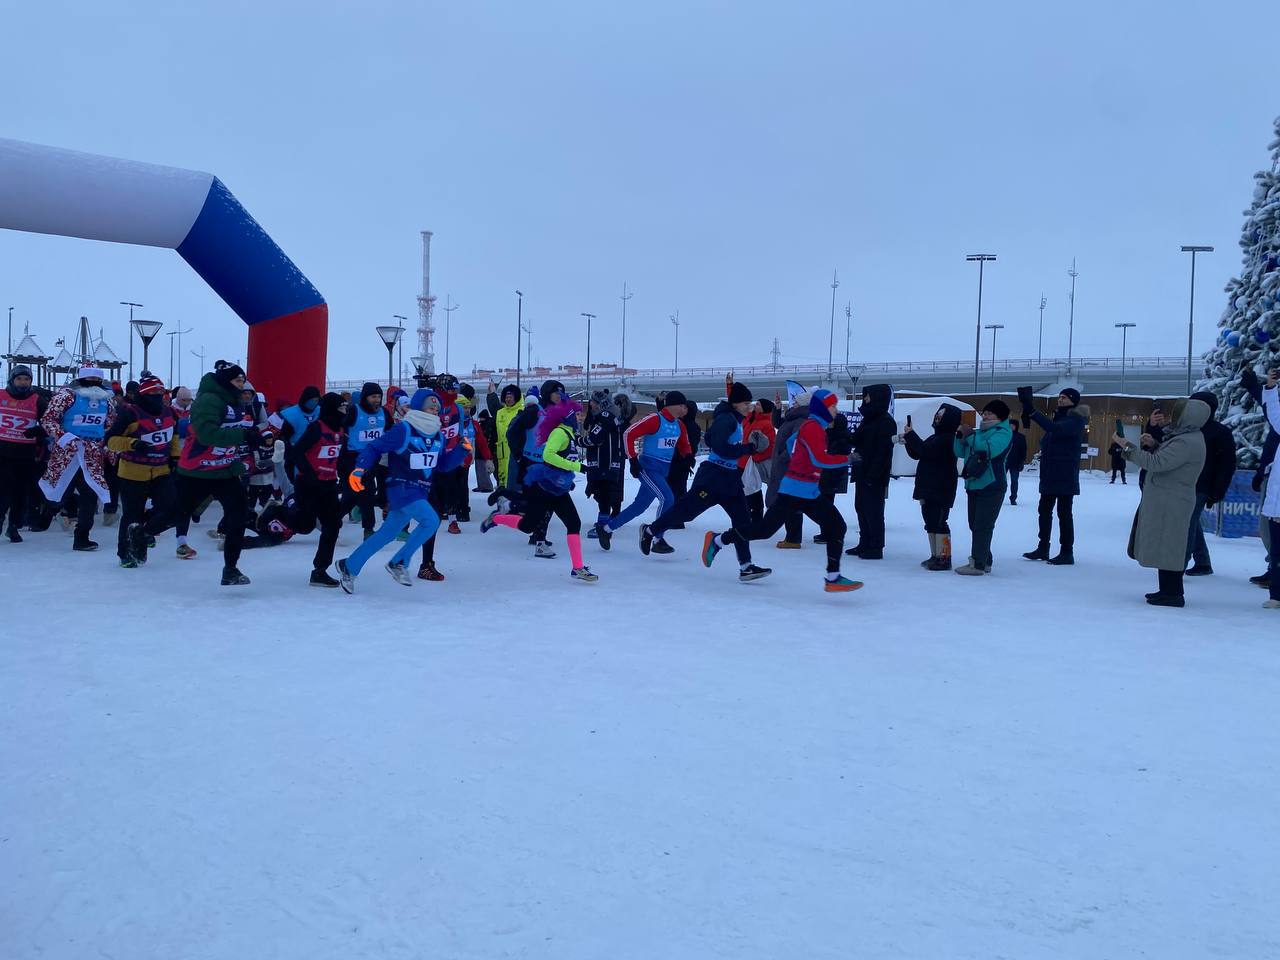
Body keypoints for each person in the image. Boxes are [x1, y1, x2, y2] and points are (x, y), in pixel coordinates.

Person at [705, 390, 861, 592]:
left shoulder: (812, 426)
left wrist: (798, 460)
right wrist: (847, 459)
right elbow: (819, 459)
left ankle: (833, 577)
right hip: (794, 491)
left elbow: (790, 442)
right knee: (763, 531)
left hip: (807, 491)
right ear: (822, 408)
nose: (836, 411)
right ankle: (718, 540)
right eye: (832, 406)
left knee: (836, 526)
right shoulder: (813, 427)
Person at [642, 381, 771, 581]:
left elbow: (711, 439)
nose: (750, 406)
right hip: (713, 478)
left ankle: (745, 566)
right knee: (686, 512)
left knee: (743, 521)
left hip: (730, 479)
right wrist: (748, 448)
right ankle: (650, 530)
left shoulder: (734, 419)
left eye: (750, 403)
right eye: (746, 403)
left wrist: (746, 446)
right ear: (736, 403)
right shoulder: (727, 419)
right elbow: (719, 447)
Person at [337, 388, 444, 592]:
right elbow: (374, 447)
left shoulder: (438, 435)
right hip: (401, 487)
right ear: (419, 407)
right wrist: (359, 468)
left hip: (419, 490)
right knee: (431, 520)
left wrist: (461, 452)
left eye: (437, 407)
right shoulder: (404, 429)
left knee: (386, 534)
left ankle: (349, 566)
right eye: (430, 406)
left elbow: (443, 464)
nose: (435, 410)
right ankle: (399, 562)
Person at [482, 397, 598, 582]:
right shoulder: (560, 433)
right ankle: (496, 518)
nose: (580, 418)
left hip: (558, 489)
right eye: (577, 414)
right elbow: (548, 456)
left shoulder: (569, 434)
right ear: (568, 416)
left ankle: (577, 568)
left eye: (580, 414)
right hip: (543, 488)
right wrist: (578, 467)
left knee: (574, 523)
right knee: (527, 526)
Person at [175, 363, 270, 586]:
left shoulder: (236, 401)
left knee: (239, 514)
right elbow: (207, 434)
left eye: (243, 382)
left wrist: (253, 438)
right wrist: (244, 436)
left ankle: (231, 569)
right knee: (174, 514)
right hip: (197, 469)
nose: (241, 386)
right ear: (226, 381)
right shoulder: (209, 400)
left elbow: (239, 430)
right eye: (237, 381)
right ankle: (142, 533)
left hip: (224, 469)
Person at [1111, 397, 1209, 607]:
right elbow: (1168, 460)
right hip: (1168, 499)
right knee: (1165, 544)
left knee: (1170, 545)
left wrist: (1125, 445)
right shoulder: (1186, 438)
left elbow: (1156, 463)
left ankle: (1173, 593)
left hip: (1172, 501)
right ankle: (1167, 590)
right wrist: (1155, 445)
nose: (1174, 417)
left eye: (1178, 413)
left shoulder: (1185, 441)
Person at [260, 392, 348, 586]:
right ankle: (277, 511)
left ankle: (319, 570)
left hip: (329, 485)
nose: (345, 410)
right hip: (308, 484)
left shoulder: (341, 430)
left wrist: (345, 474)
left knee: (333, 525)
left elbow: (338, 457)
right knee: (305, 525)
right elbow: (297, 452)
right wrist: (310, 474)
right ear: (332, 409)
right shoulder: (317, 428)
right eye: (342, 407)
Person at [105, 373, 182, 566]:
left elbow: (173, 436)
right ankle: (125, 554)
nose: (158, 397)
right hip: (133, 471)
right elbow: (110, 440)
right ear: (144, 395)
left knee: (172, 510)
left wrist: (175, 457)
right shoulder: (130, 413)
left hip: (161, 470)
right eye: (154, 393)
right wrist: (132, 443)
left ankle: (143, 533)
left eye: (161, 393)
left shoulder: (170, 413)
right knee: (132, 514)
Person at [38, 365, 116, 551]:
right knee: (59, 491)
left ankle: (82, 537)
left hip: (92, 455)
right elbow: (48, 420)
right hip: (67, 453)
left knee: (91, 494)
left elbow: (110, 424)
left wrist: (104, 444)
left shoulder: (107, 400)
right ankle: (48, 511)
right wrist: (65, 437)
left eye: (98, 380)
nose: (94, 383)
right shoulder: (66, 396)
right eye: (90, 379)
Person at [604, 391, 693, 551]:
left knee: (640, 506)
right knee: (667, 498)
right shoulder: (655, 419)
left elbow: (684, 444)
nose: (684, 409)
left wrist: (688, 457)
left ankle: (606, 529)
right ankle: (657, 538)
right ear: (672, 405)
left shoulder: (679, 425)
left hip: (663, 470)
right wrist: (633, 460)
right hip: (648, 468)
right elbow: (628, 434)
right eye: (681, 405)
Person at [1017, 386, 1089, 565]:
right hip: (1050, 473)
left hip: (1065, 474)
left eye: (1064, 397)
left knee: (1064, 513)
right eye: (1060, 396)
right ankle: (1043, 547)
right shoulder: (1059, 418)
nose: (1060, 399)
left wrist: (1033, 412)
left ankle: (1067, 552)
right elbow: (1050, 435)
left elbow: (1055, 429)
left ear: (1073, 400)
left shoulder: (1076, 419)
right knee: (1044, 511)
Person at [953, 400, 1013, 576]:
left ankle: (977, 564)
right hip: (974, 483)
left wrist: (970, 436)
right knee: (975, 524)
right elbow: (960, 452)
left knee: (982, 525)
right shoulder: (979, 432)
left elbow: (988, 450)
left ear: (1000, 416)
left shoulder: (1003, 432)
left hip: (992, 484)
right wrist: (959, 436)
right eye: (984, 413)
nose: (985, 416)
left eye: (989, 413)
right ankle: (985, 559)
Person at [902, 403, 962, 571]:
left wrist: (911, 435)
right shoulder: (935, 437)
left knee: (940, 522)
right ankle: (935, 555)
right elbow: (918, 453)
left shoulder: (948, 439)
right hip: (928, 486)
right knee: (930, 522)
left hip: (941, 488)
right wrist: (908, 439)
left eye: (940, 416)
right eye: (937, 415)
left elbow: (925, 451)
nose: (937, 418)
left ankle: (944, 557)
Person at [1183, 391, 1237, 577]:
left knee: (1187, 524)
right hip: (1185, 484)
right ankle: (1203, 562)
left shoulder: (1219, 432)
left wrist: (1218, 491)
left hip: (1202, 487)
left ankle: (1178, 565)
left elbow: (1227, 465)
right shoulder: (1189, 428)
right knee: (1192, 523)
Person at [0, 365, 49, 543]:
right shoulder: (1, 395)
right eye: (19, 379)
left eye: (27, 379)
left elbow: (49, 422)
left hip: (25, 453)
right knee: (3, 489)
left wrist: (39, 431)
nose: (23, 382)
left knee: (20, 492)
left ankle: (14, 526)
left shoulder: (37, 400)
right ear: (12, 380)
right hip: (2, 451)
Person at [848, 384, 897, 559]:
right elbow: (857, 440)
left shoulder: (886, 421)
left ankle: (876, 547)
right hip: (862, 471)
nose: (865, 399)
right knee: (861, 508)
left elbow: (884, 453)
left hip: (874, 475)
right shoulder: (868, 419)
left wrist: (873, 475)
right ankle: (864, 542)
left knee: (874, 511)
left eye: (868, 396)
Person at [339, 382, 390, 540]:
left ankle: (367, 529)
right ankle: (334, 518)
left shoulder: (384, 413)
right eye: (373, 397)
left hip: (372, 458)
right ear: (365, 397)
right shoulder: (354, 411)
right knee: (358, 493)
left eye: (379, 396)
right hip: (353, 458)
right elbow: (340, 429)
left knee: (363, 493)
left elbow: (391, 432)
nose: (377, 400)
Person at [581, 388, 626, 542]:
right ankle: (603, 524)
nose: (591, 404)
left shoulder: (604, 417)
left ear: (600, 403)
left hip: (604, 463)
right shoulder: (611, 416)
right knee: (603, 494)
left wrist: (577, 440)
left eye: (593, 402)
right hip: (608, 462)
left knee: (604, 494)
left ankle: (603, 526)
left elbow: (594, 439)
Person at [769, 389, 811, 548]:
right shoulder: (794, 417)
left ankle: (793, 538)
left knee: (792, 502)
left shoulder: (801, 420)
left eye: (796, 402)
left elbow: (795, 445)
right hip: (784, 465)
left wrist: (782, 458)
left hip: (788, 467)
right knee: (789, 501)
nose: (793, 404)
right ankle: (792, 536)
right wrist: (777, 408)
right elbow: (778, 424)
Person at [1255, 372, 1280, 607]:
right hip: (1277, 508)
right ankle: (1276, 595)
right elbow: (1274, 414)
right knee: (1277, 553)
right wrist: (1271, 388)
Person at [665, 403, 702, 527]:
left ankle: (675, 519)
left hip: (677, 461)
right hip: (685, 462)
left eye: (685, 408)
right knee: (680, 489)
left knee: (674, 490)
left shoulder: (681, 425)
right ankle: (678, 518)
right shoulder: (695, 427)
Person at [742, 398, 776, 523]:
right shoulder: (752, 419)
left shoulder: (766, 424)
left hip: (753, 463)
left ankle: (756, 519)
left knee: (753, 490)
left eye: (758, 404)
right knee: (748, 490)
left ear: (763, 408)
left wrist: (755, 458)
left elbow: (770, 446)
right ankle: (751, 518)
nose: (754, 405)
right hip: (745, 461)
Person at [486, 382, 524, 489]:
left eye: (511, 397)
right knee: (502, 483)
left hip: (516, 455)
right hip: (501, 455)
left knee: (515, 482)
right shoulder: (500, 413)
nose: (508, 399)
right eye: (506, 397)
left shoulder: (522, 412)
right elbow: (493, 434)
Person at [1007, 419, 1028, 502]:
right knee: (1001, 481)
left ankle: (1013, 498)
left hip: (1015, 462)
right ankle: (998, 497)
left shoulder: (1021, 437)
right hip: (1004, 462)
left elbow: (1023, 450)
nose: (1011, 427)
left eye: (1013, 425)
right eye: (1010, 425)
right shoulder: (1004, 436)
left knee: (1014, 481)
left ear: (1016, 426)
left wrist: (1022, 461)